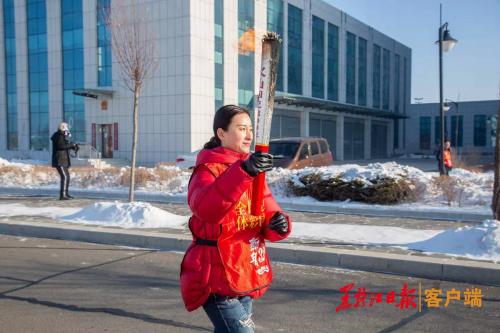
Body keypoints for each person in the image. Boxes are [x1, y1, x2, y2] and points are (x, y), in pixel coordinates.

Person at [180, 105, 292, 333]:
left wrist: (277, 224)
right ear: (221, 133)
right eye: (242, 128)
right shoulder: (207, 169)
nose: (249, 135)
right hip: (214, 274)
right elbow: (206, 209)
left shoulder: (251, 168)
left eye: (250, 129)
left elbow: (267, 210)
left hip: (243, 270)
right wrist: (243, 172)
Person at [51, 122, 78, 200]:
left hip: (62, 160)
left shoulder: (61, 136)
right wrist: (71, 145)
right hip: (60, 160)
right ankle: (62, 195)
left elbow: (64, 145)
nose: (67, 132)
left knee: (67, 177)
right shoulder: (59, 136)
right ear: (63, 129)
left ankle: (65, 194)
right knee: (65, 177)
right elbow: (61, 146)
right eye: (66, 130)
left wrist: (73, 146)